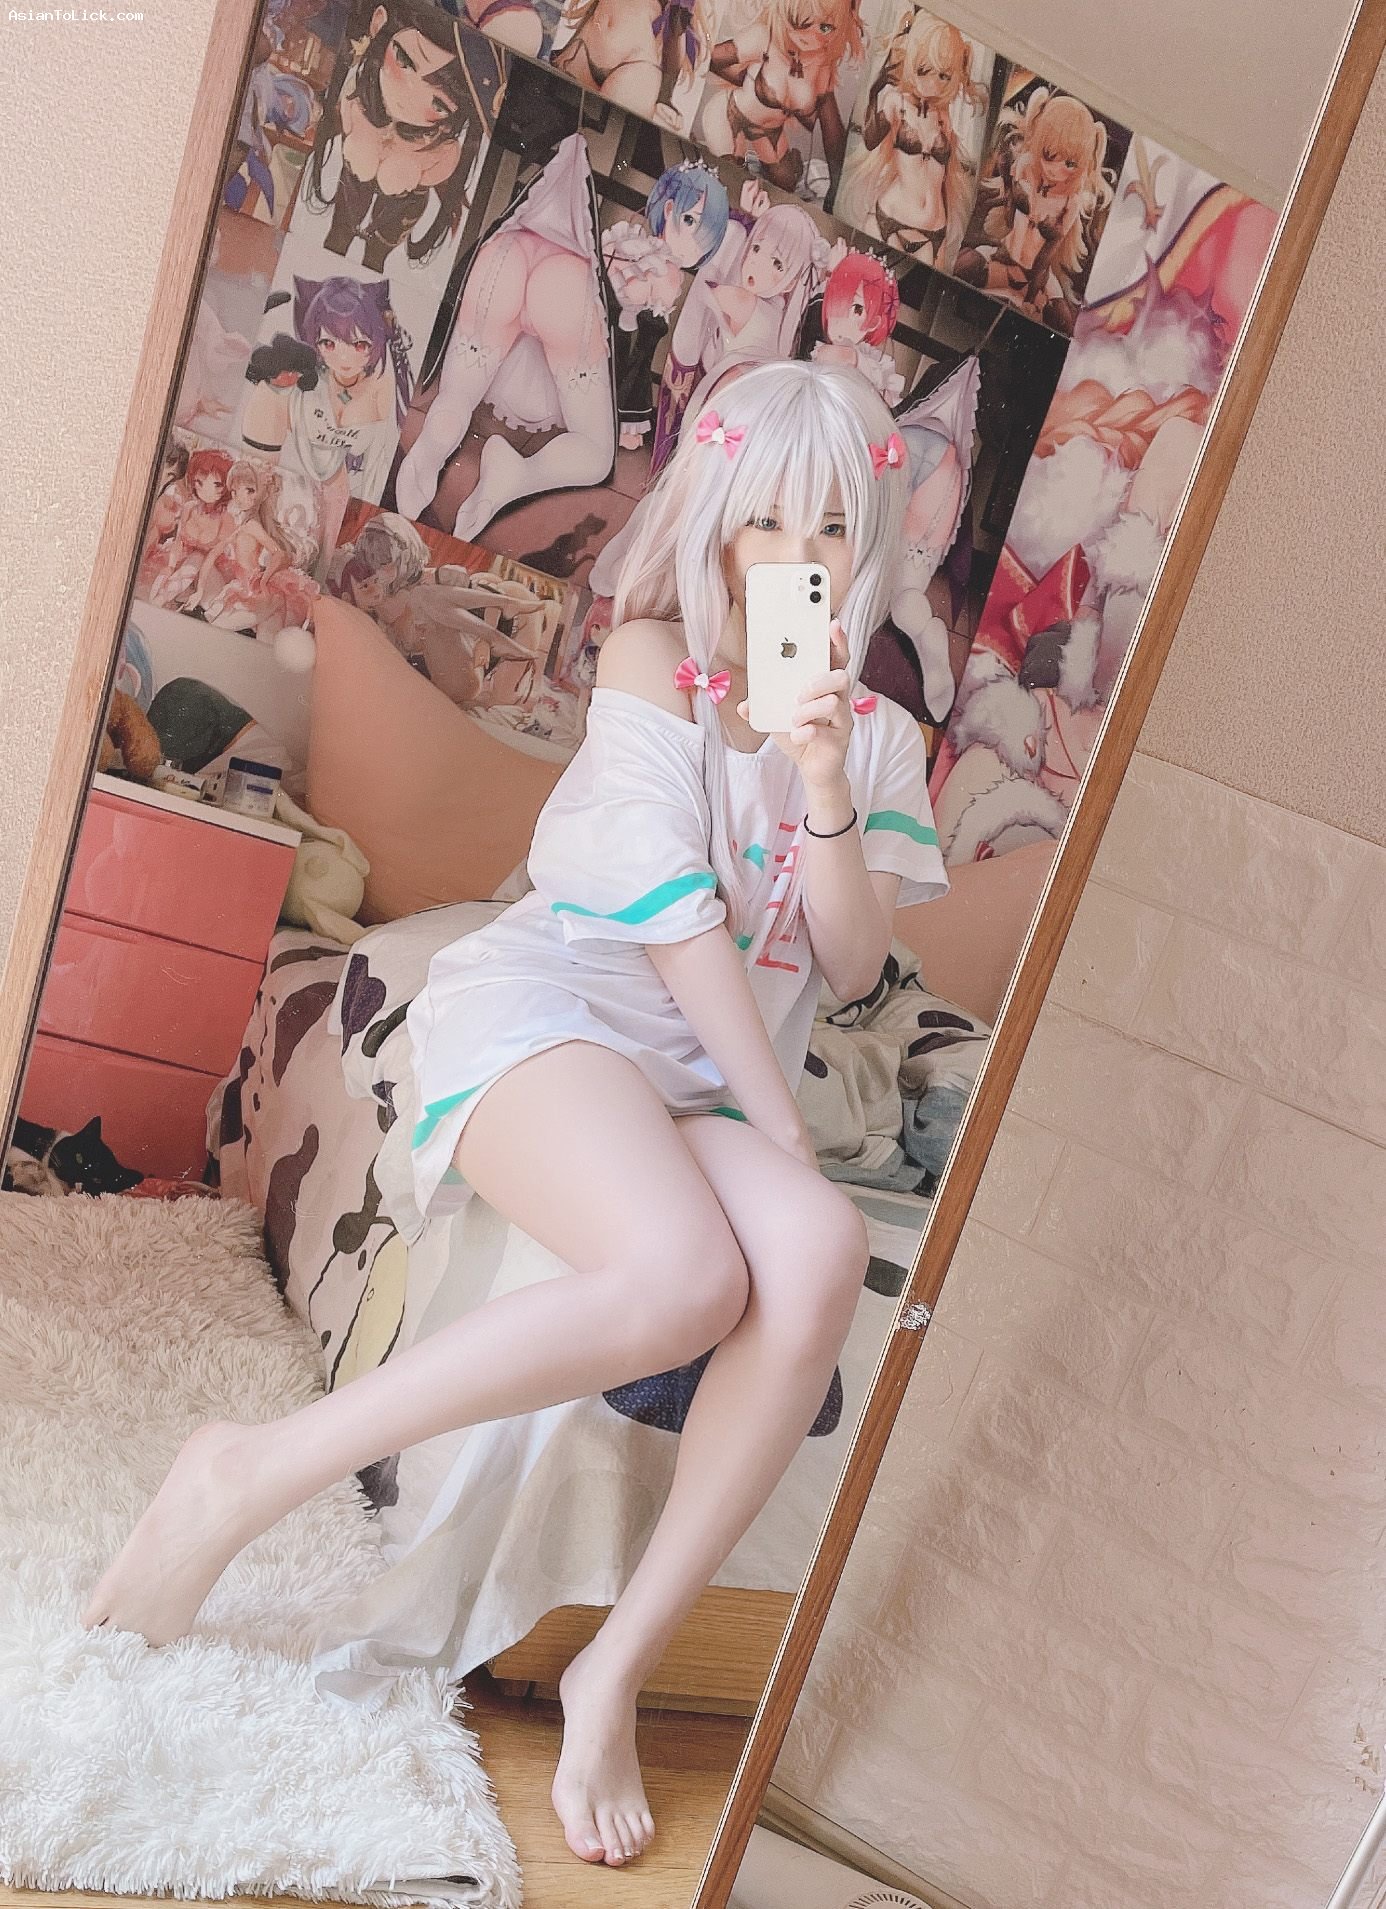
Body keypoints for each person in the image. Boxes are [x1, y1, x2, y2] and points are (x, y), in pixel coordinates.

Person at [80, 359, 950, 1872]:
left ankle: (618, 1663)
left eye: (829, 525)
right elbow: (675, 923)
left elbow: (861, 963)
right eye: (766, 520)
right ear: (717, 523)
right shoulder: (651, 662)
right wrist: (779, 1123)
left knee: (814, 1255)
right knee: (688, 1273)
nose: (795, 557)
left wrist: (821, 775)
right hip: (556, 1016)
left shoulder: (873, 737)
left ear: (865, 540)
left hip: (690, 1084)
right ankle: (250, 1467)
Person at [834, 9, 986, 267]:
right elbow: (870, 140)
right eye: (924, 69)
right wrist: (881, 85)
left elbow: (944, 175)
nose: (934, 84)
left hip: (935, 229)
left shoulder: (942, 115)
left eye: (944, 75)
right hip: (892, 218)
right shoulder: (897, 102)